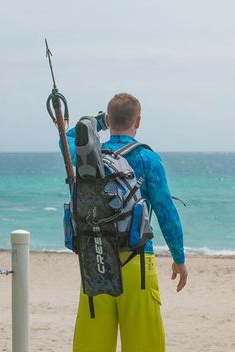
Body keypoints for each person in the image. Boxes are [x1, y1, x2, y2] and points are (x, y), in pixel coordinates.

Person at [65, 93, 188, 352]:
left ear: (109, 120)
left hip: (96, 262)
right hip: (137, 263)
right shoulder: (147, 159)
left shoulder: (90, 156)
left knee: (92, 346)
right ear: (138, 121)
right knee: (144, 346)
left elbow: (66, 139)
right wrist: (179, 258)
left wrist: (96, 123)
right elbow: (166, 212)